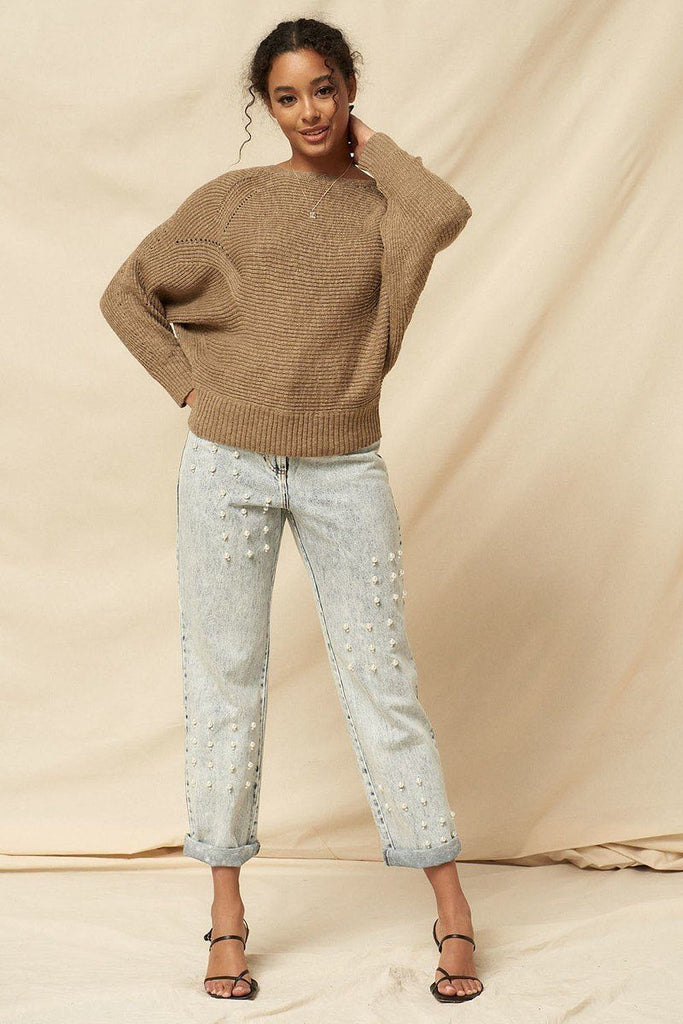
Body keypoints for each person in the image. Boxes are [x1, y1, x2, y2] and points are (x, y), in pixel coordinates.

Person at [99, 16, 482, 1005]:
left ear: (349, 89)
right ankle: (226, 917)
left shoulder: (385, 206)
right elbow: (127, 294)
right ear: (263, 106)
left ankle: (452, 912)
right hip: (224, 466)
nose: (307, 111)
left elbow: (444, 210)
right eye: (285, 96)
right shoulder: (229, 202)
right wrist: (191, 389)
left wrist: (370, 148)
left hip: (342, 466)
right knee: (225, 680)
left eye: (322, 89)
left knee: (381, 681)